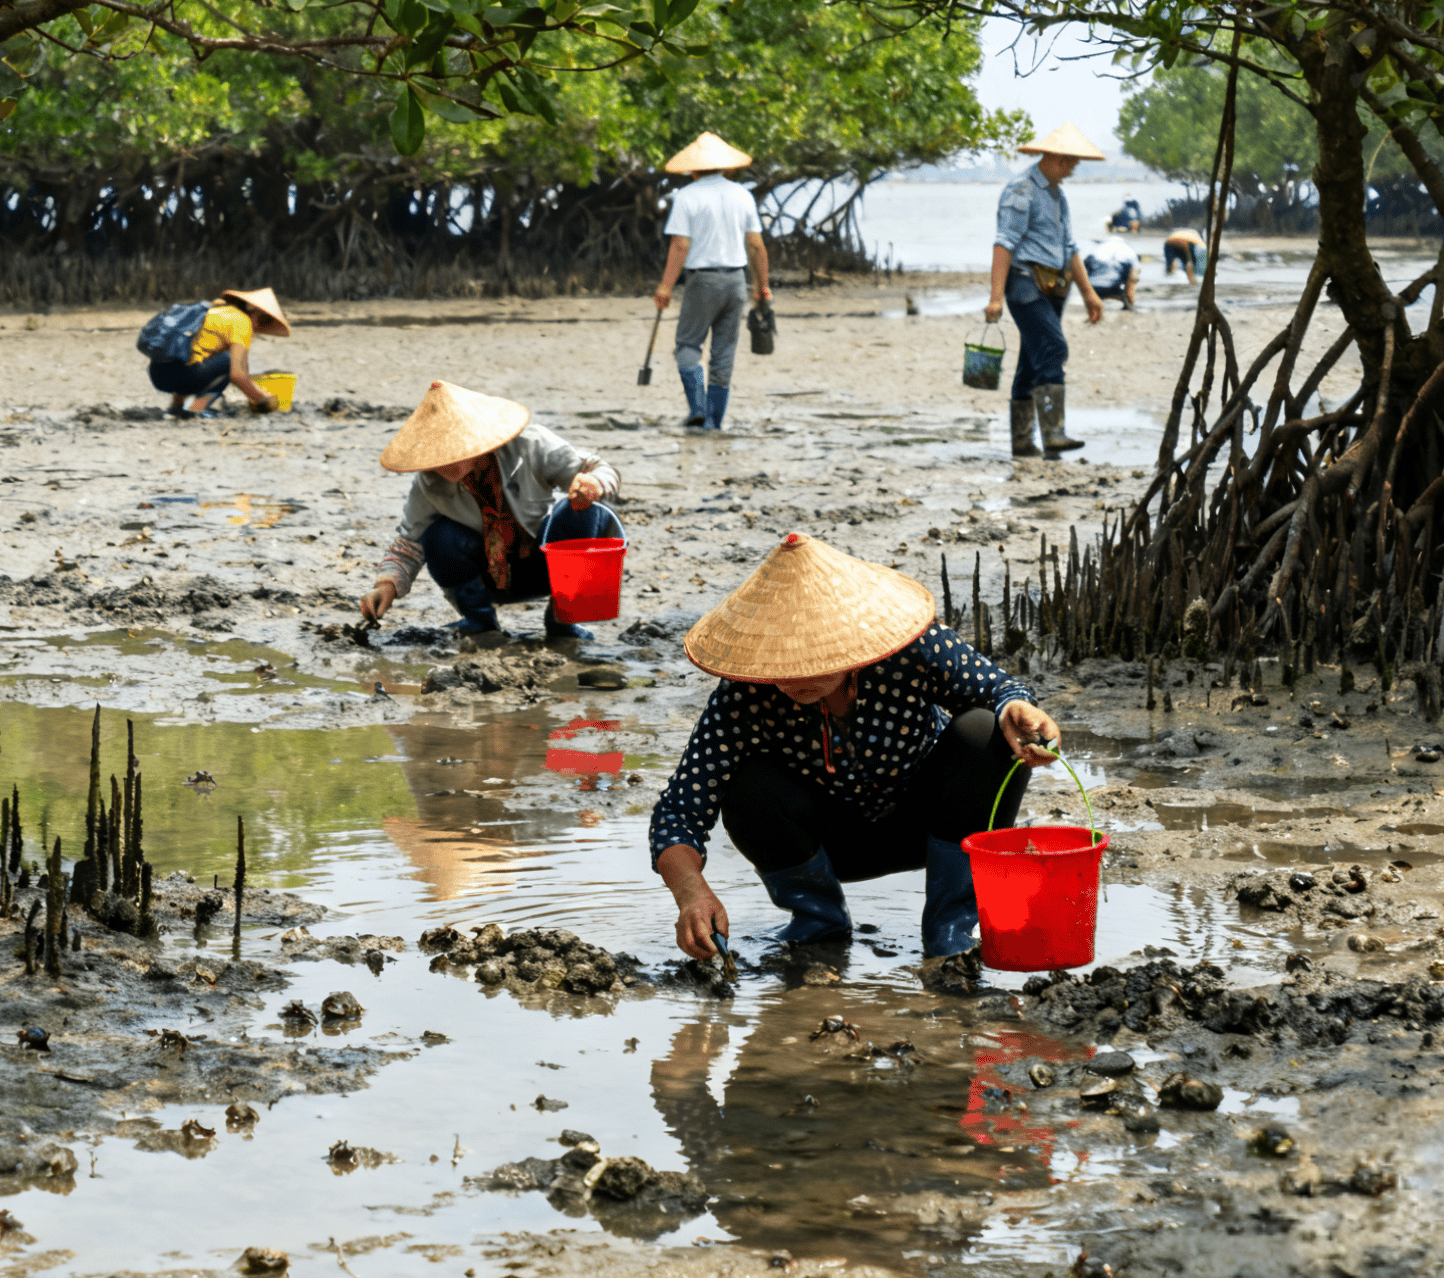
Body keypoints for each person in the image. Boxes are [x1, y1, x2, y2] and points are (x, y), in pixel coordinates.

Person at [648, 533, 1067, 996]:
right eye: (782, 665)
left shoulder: (913, 649)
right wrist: (691, 893)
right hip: (830, 843)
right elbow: (678, 813)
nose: (796, 679)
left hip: (932, 826)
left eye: (814, 660)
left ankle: (951, 932)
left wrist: (1020, 715)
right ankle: (819, 924)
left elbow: (999, 691)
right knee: (747, 788)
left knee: (985, 730)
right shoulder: (743, 697)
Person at [356, 381, 622, 643]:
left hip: (545, 566)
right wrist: (385, 587)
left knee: (578, 510)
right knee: (438, 535)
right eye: (436, 454)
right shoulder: (429, 483)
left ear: (475, 439)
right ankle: (479, 622)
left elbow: (600, 469)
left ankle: (564, 621)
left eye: (451, 450)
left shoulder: (532, 445)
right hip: (487, 576)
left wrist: (593, 484)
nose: (442, 462)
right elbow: (408, 545)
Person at [984, 124, 1108, 459]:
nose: (1071, 170)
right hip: (1025, 284)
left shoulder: (1056, 195)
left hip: (1054, 286)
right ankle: (1054, 433)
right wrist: (996, 297)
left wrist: (1089, 294)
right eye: (1067, 162)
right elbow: (1003, 243)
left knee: (1032, 361)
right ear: (1051, 157)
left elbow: (1069, 247)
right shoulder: (1021, 191)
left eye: (1073, 164)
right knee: (1053, 347)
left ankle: (1023, 443)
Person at [652, 132, 773, 432]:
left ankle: (697, 409)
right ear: (723, 167)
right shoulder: (742, 194)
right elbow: (756, 245)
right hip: (736, 281)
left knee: (687, 344)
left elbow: (680, 245)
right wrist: (762, 286)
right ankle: (713, 422)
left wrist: (666, 286)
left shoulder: (687, 196)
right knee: (724, 353)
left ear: (692, 169)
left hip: (702, 281)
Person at [148, 288, 288, 418]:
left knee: (206, 361)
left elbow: (186, 355)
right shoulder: (242, 322)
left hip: (157, 373)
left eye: (265, 322)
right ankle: (196, 408)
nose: (257, 326)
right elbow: (237, 375)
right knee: (227, 363)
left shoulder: (215, 311)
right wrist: (264, 400)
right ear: (250, 308)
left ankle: (178, 408)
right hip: (183, 375)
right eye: (264, 319)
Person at [1081, 236, 1140, 311]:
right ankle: (1126, 304)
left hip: (1092, 288)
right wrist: (1130, 302)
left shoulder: (1097, 249)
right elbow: (1133, 279)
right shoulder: (1130, 252)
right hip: (1112, 287)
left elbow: (1082, 269)